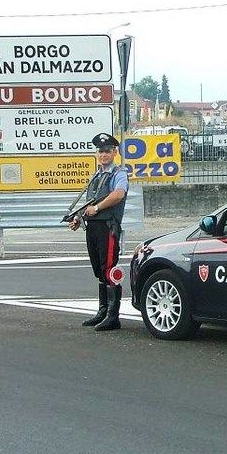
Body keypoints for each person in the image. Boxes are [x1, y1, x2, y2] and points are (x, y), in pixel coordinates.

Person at [68, 133, 129, 331]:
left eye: (107, 151)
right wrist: (79, 217)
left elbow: (118, 195)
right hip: (93, 227)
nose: (103, 154)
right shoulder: (97, 175)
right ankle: (103, 311)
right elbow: (89, 203)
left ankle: (113, 316)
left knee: (109, 269)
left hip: (107, 227)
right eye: (100, 151)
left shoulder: (118, 174)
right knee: (99, 270)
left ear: (115, 152)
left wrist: (98, 208)